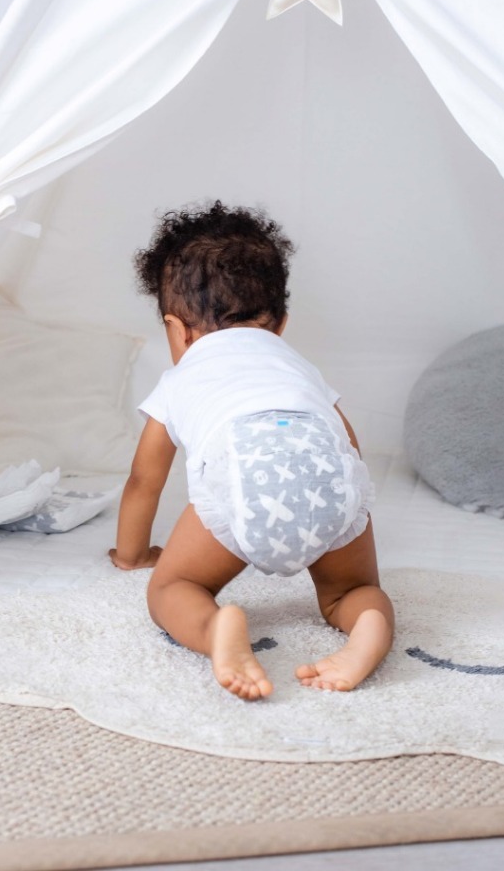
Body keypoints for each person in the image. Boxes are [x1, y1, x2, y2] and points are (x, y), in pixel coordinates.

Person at [109, 200, 394, 701]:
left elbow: (143, 480)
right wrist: (339, 499)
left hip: (245, 482)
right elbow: (346, 443)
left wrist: (133, 556)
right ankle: (368, 626)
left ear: (177, 330)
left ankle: (214, 629)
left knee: (174, 589)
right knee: (351, 591)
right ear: (279, 323)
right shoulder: (298, 367)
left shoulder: (178, 381)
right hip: (329, 477)